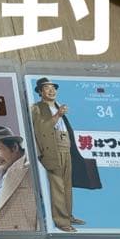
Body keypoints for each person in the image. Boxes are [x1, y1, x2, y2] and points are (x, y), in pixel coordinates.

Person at [30, 77, 85, 231]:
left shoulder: (57, 106)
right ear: (40, 92)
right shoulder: (37, 108)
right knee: (57, 187)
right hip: (53, 149)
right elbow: (42, 129)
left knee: (67, 185)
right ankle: (62, 222)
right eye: (47, 88)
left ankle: (68, 216)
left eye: (53, 87)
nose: (51, 90)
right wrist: (58, 115)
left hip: (66, 147)